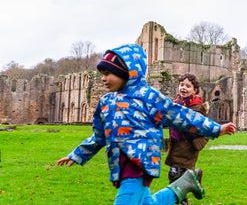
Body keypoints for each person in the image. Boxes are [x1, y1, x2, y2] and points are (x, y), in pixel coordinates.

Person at [56, 44, 236, 205]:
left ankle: (184, 183)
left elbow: (181, 115)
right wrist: (78, 154)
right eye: (102, 74)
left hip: (140, 162)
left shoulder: (148, 97)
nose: (103, 78)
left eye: (108, 73)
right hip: (119, 163)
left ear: (127, 72)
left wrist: (215, 128)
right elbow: (99, 135)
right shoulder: (105, 101)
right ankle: (183, 185)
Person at [165, 73, 209, 205]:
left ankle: (183, 201)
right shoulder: (176, 104)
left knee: (177, 179)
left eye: (188, 86)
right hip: (175, 147)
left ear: (195, 90)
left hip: (187, 149)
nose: (183, 88)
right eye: (181, 85)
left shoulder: (197, 108)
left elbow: (201, 130)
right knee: (175, 177)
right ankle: (194, 174)